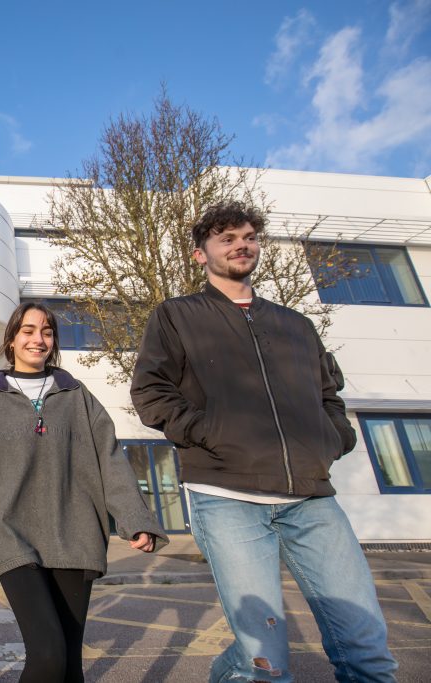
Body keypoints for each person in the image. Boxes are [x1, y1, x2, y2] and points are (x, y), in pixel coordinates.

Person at [130, 201, 397, 682]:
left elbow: (328, 393)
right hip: (228, 498)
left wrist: (333, 439)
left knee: (368, 650)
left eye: (249, 236)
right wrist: (213, 434)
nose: (241, 245)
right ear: (200, 254)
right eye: (227, 238)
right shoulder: (176, 316)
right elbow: (151, 393)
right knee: (265, 662)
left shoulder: (296, 324)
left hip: (311, 500)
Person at [0, 302, 168, 683]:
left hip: (75, 535)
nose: (39, 339)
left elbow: (110, 459)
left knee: (68, 664)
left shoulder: (76, 394)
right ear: (12, 340)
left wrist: (135, 519)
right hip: (10, 535)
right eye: (29, 331)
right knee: (48, 654)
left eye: (47, 331)